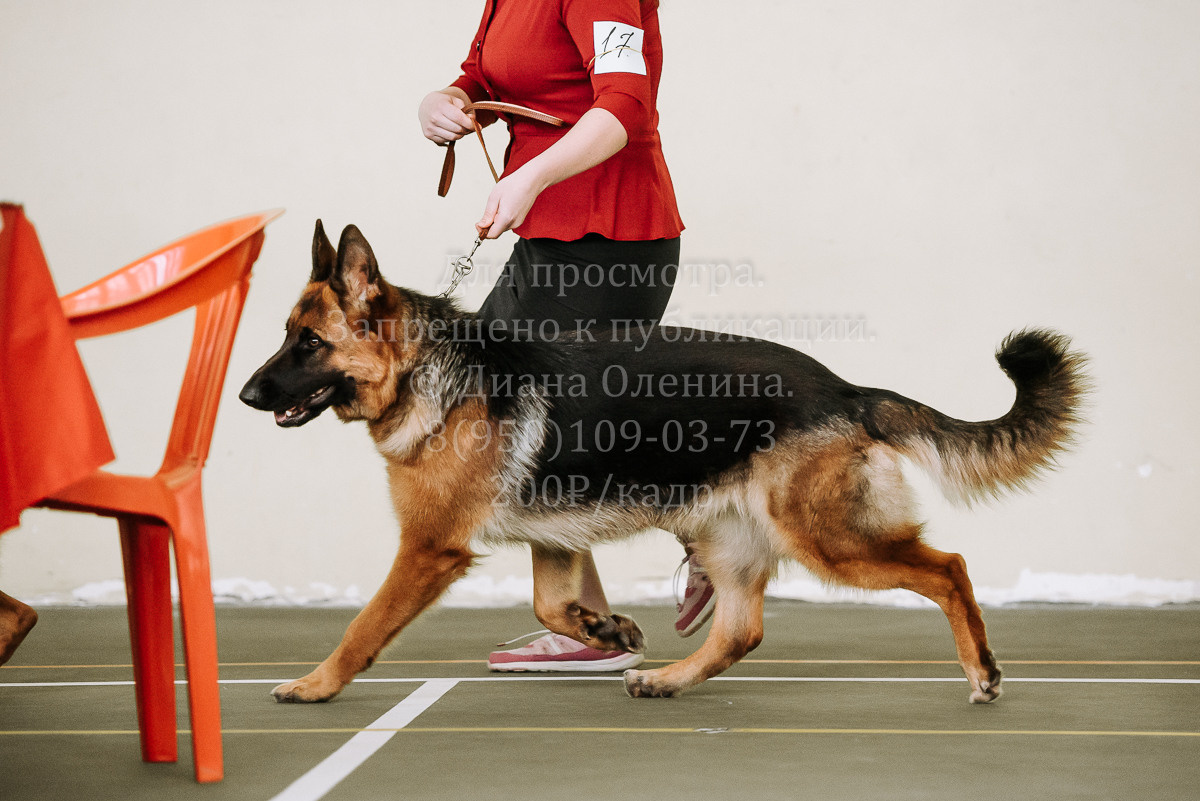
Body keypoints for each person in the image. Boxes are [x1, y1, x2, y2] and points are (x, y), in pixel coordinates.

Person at [418, 0, 713, 671]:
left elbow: (625, 105)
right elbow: (486, 75)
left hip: (608, 237)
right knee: (511, 419)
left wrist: (532, 173)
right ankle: (590, 626)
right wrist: (450, 100)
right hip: (551, 237)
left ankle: (708, 531)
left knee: (547, 427)